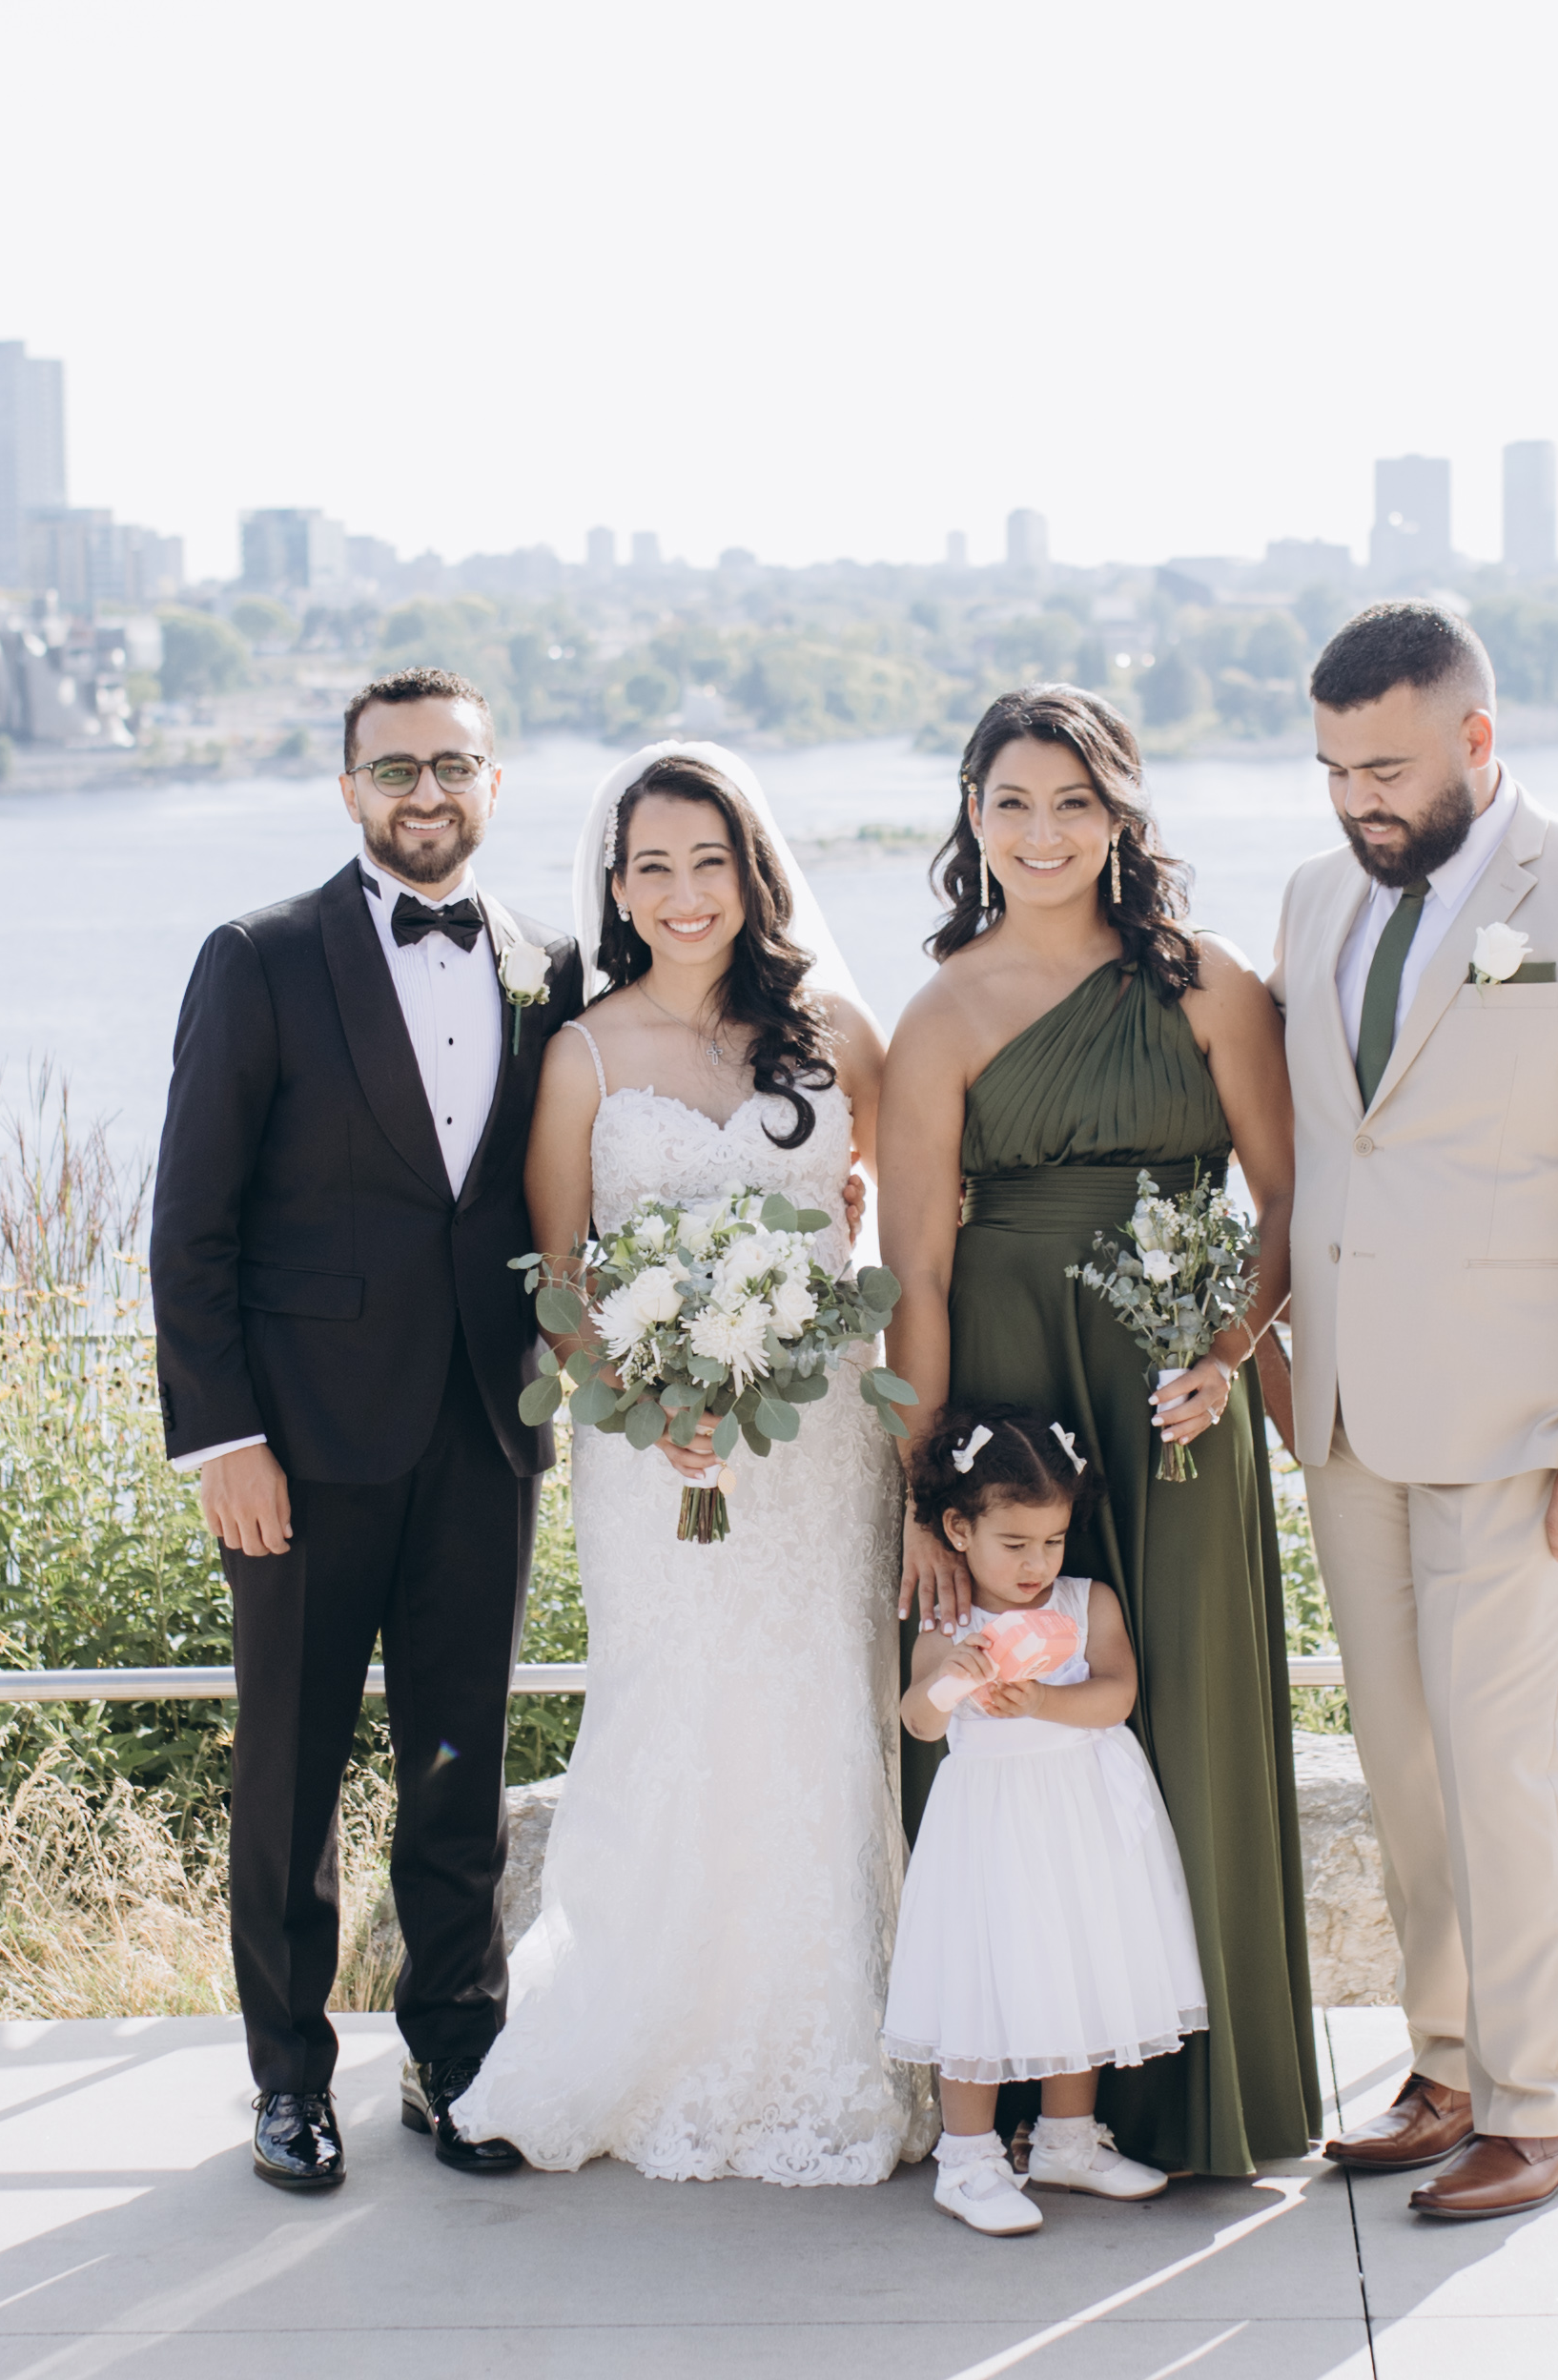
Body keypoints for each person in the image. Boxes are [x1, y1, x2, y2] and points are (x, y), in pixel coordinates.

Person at [1273, 602, 1558, 2220]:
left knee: (1500, 1765)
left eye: (1386, 770)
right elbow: (1327, 1148)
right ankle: (1451, 2066)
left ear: (1476, 737)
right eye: (1334, 771)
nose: (1357, 802)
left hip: (1528, 1425)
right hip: (1344, 1414)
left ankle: (1544, 2104)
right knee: (1403, 1765)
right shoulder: (1314, 898)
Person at [448, 742, 933, 2186]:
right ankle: (653, 2030)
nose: (683, 893)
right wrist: (641, 1399)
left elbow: (902, 1230)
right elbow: (560, 1272)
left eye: (709, 862)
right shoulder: (585, 1054)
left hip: (820, 1439)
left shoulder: (837, 1032)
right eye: (652, 866)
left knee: (820, 1713)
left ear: (752, 871)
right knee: (675, 1711)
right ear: (616, 886)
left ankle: (830, 2042)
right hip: (655, 1456)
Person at [148, 666, 584, 2191]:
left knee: (461, 1769)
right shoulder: (260, 958)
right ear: (349, 790)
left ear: (494, 784)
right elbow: (190, 1226)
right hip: (303, 1451)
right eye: (395, 769)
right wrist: (223, 1441)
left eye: (452, 766)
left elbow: (570, 1186)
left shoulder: (551, 967)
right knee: (290, 1778)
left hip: (482, 1434)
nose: (425, 793)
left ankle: (457, 2064)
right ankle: (289, 2084)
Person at [877, 684, 1321, 2178]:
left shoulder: (1207, 982)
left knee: (1176, 1695)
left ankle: (1189, 2101)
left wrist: (1227, 1350)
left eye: (1074, 801)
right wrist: (922, 1497)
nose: (1044, 831)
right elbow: (914, 1269)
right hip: (1006, 1389)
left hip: (1174, 1397)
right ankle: (1000, 2111)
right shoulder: (941, 1012)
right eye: (1013, 801)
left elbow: (1286, 1196)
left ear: (1122, 814)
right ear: (973, 817)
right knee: (1004, 1715)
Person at [887, 1405, 1199, 2235]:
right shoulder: (951, 1620)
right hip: (989, 1830)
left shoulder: (1086, 1602)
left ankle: (1067, 2141)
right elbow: (919, 1720)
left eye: (1052, 1541)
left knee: (1077, 1968)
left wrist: (1045, 1701)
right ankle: (968, 2159)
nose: (1036, 1564)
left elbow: (1117, 1694)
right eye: (1015, 1543)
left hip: (1080, 1820)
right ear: (959, 1530)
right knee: (979, 1976)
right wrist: (953, 1679)